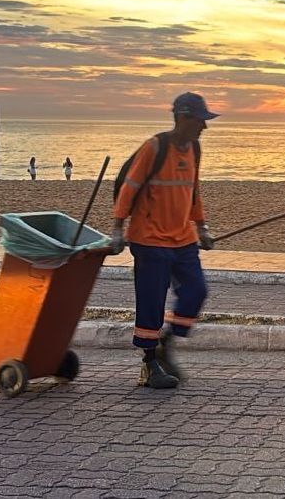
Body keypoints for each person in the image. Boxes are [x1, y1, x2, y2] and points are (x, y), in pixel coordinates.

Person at [111, 92, 218, 389]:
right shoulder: (154, 148)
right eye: (200, 120)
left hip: (183, 238)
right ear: (182, 118)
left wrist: (202, 227)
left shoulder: (194, 149)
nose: (204, 127)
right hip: (149, 240)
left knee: (196, 291)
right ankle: (149, 363)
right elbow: (129, 188)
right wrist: (117, 228)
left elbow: (193, 191)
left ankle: (166, 343)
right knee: (151, 302)